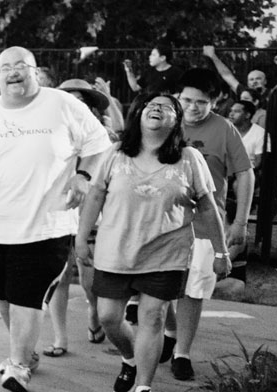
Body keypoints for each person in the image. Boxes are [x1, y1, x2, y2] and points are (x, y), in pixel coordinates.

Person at [0, 47, 111, 392]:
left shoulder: (61, 104)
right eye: (5, 68)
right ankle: (26, 353)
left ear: (35, 72)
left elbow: (99, 144)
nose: (13, 72)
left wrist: (82, 177)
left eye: (21, 66)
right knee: (3, 298)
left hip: (46, 226)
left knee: (26, 298)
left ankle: (17, 366)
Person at [76, 93, 230, 392]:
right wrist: (82, 238)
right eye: (151, 104)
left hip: (167, 252)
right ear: (140, 114)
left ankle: (143, 386)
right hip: (115, 251)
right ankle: (130, 358)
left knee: (152, 316)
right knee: (109, 317)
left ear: (176, 120)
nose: (157, 108)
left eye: (167, 107)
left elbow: (208, 206)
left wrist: (221, 251)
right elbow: (95, 196)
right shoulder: (116, 153)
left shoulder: (189, 158)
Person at [159, 69, 251, 381]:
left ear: (214, 101)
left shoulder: (224, 128)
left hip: (204, 223)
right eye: (187, 100)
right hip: (162, 222)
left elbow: (245, 174)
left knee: (192, 290)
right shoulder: (164, 122)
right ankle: (170, 331)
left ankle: (181, 352)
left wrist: (240, 222)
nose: (194, 107)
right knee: (156, 288)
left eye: (202, 102)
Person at [42, 79, 117, 359]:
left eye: (81, 99)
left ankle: (95, 314)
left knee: (89, 277)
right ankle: (60, 338)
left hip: (92, 211)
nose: (74, 104)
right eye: (68, 99)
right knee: (58, 276)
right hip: (59, 209)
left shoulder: (103, 136)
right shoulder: (49, 132)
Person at [227, 100, 265, 171]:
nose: (231, 114)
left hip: (248, 173)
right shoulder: (226, 129)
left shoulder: (260, 133)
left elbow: (258, 163)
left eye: (236, 111)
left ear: (247, 115)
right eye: (231, 111)